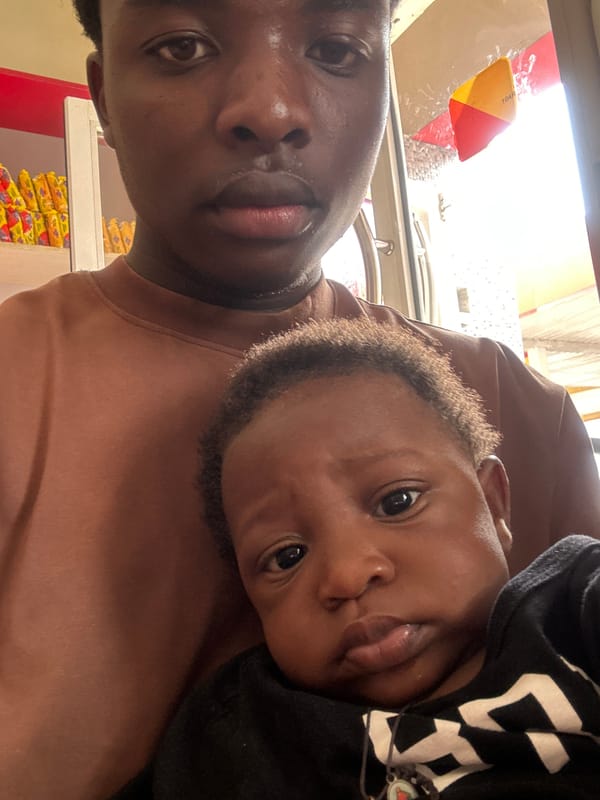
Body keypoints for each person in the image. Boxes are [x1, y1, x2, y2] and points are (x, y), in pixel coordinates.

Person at [0, 0, 598, 797]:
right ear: (104, 98)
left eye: (337, 47)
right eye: (182, 46)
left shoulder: (514, 410)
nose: (270, 111)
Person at [125, 318, 600, 799]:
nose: (347, 576)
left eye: (398, 503)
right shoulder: (242, 726)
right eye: (287, 556)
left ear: (493, 503)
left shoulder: (572, 609)